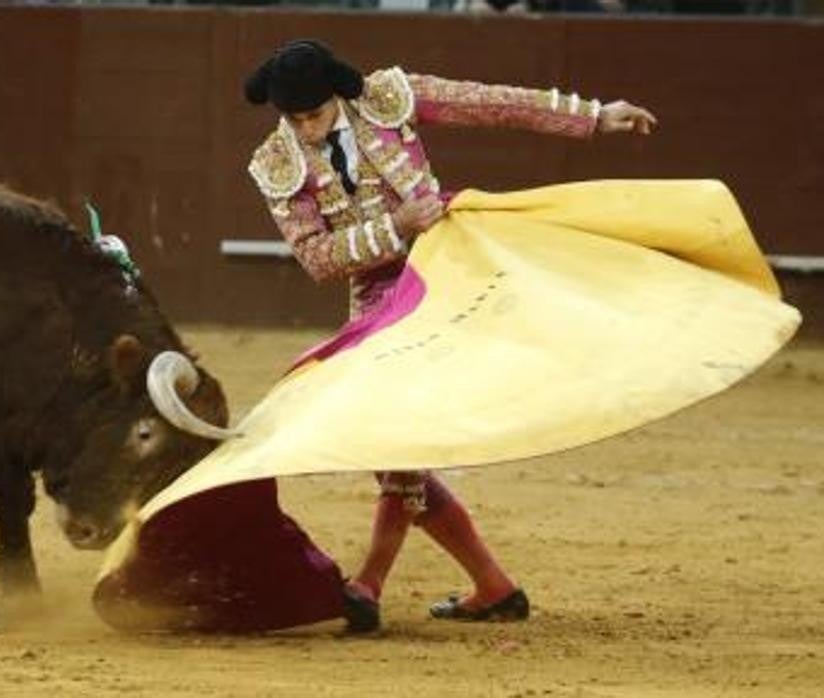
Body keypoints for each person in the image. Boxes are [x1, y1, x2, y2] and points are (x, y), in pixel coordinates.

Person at [243, 39, 656, 627]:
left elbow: (490, 104)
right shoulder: (275, 163)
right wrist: (396, 225)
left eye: (316, 114)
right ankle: (484, 585)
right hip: (381, 302)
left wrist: (591, 116)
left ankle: (373, 585)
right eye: (296, 119)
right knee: (392, 439)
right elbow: (316, 257)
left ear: (337, 95)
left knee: (393, 440)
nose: (308, 129)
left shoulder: (388, 96)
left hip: (456, 277)